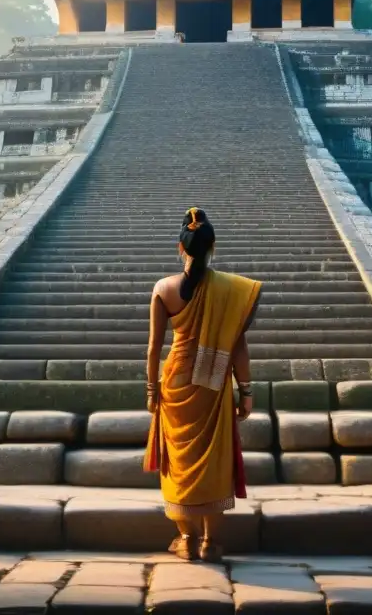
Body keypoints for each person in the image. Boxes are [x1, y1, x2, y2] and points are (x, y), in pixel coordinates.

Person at [143, 207, 262, 562]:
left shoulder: (163, 288)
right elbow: (239, 345)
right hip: (213, 380)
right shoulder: (231, 289)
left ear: (180, 248)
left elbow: (152, 347)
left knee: (178, 461)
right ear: (213, 248)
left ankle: (187, 540)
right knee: (213, 461)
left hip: (176, 379)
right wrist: (247, 391)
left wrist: (151, 390)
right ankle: (210, 543)